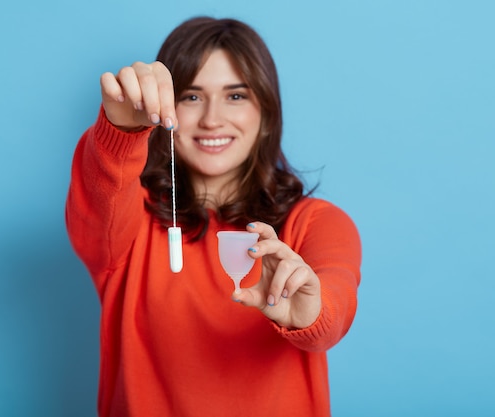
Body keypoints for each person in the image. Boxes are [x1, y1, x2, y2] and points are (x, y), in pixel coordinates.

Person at [66, 16, 362, 417]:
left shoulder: (316, 223)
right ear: (164, 111)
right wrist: (120, 128)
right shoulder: (128, 225)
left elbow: (335, 305)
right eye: (191, 96)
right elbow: (99, 196)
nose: (211, 119)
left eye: (235, 96)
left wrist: (310, 313)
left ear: (266, 114)